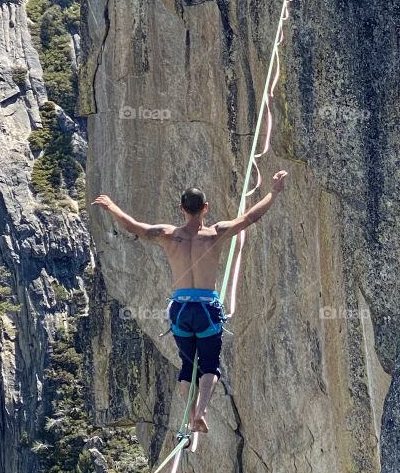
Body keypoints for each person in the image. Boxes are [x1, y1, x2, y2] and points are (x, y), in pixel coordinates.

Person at [93, 171, 287, 435]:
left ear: (181, 208)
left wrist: (111, 206)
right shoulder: (216, 233)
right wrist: (274, 192)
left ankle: (191, 411)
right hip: (207, 310)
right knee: (209, 365)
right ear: (205, 208)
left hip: (180, 310)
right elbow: (250, 217)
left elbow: (135, 227)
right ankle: (201, 413)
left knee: (188, 366)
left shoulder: (168, 234)